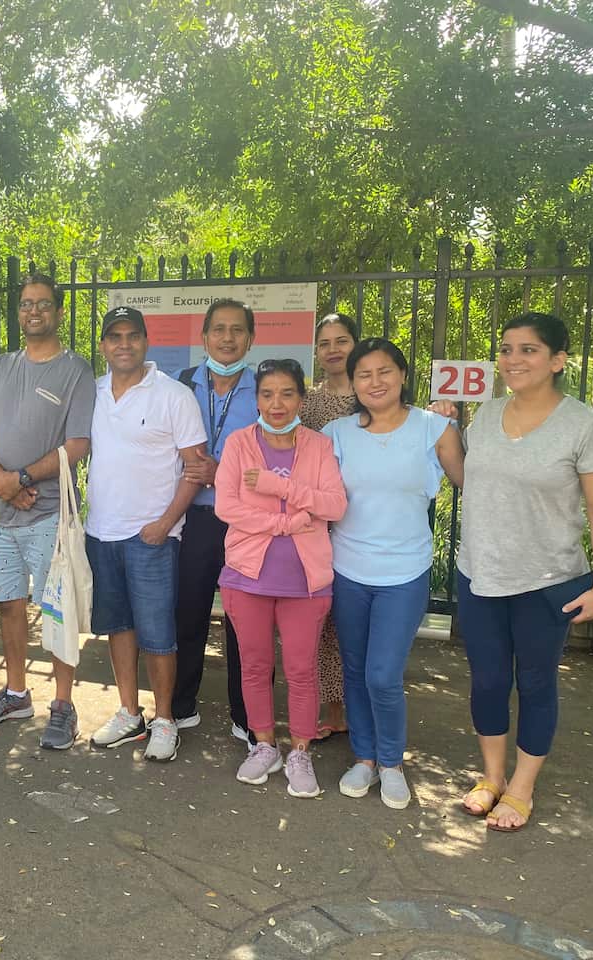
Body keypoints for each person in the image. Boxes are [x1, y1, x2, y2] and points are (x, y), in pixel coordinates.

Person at [456, 312, 593, 832]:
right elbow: (468, 482)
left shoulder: (587, 426)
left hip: (546, 581)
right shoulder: (484, 416)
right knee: (487, 680)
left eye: (528, 350)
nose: (513, 359)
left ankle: (523, 787)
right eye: (506, 349)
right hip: (479, 573)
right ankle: (492, 776)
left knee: (534, 683)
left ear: (557, 360)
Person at [323, 338, 465, 808]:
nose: (375, 382)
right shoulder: (337, 433)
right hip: (348, 569)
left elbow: (470, 480)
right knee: (356, 668)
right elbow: (316, 493)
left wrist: (464, 426)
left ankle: (391, 761)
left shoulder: (434, 427)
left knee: (383, 675)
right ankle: (363, 758)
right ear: (355, 383)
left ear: (403, 376)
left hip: (404, 572)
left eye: (385, 371)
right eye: (364, 374)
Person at [0, 273, 95, 749]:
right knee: (9, 606)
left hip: (50, 517)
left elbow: (78, 443)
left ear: (58, 312)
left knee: (57, 612)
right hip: (4, 518)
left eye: (43, 304)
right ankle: (17, 693)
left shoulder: (76, 370)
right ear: (18, 313)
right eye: (26, 304)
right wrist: (1, 481)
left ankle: (63, 704)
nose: (34, 311)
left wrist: (19, 479)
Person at [214, 358, 346, 797]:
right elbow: (226, 508)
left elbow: (334, 506)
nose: (276, 403)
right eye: (267, 394)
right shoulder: (238, 444)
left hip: (305, 582)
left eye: (287, 393)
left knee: (302, 669)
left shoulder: (318, 446)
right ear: (257, 399)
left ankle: (301, 751)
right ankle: (264, 745)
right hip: (246, 577)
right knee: (254, 666)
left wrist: (279, 486)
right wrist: (286, 523)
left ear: (301, 399)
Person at [85, 305, 208, 762]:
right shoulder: (92, 393)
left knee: (158, 634)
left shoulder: (174, 395)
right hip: (102, 533)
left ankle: (165, 720)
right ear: (103, 345)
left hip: (152, 536)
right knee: (118, 626)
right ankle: (128, 712)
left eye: (131, 335)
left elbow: (195, 469)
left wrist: (164, 523)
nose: (123, 344)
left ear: (145, 341)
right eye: (114, 336)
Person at [171, 299, 258, 742]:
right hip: (195, 519)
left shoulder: (264, 391)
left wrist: (219, 470)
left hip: (245, 524)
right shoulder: (182, 385)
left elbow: (276, 460)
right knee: (188, 614)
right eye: (219, 329)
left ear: (250, 338)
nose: (228, 338)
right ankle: (181, 707)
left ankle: (246, 716)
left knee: (245, 621)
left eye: (237, 330)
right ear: (203, 337)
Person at [299, 312, 358, 741]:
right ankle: (332, 709)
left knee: (357, 621)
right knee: (323, 623)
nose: (333, 349)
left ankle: (362, 708)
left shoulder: (374, 393)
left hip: (364, 519)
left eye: (342, 340)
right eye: (325, 343)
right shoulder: (307, 402)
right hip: (318, 522)